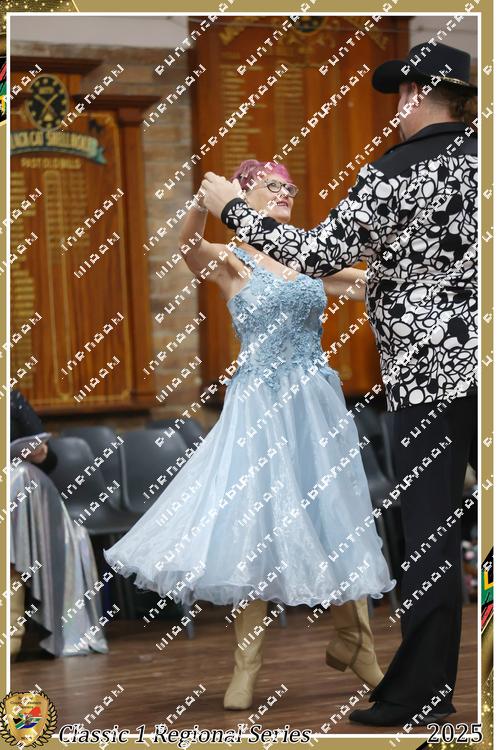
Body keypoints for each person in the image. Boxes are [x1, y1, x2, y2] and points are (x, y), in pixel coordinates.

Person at [200, 42, 478, 726]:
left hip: (427, 380)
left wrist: (235, 210)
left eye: (400, 95)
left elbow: (317, 252)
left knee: (432, 536)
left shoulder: (393, 172)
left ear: (415, 96)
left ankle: (422, 692)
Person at [104, 158, 396, 711]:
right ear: (244, 195)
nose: (286, 193)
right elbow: (187, 246)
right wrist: (202, 202)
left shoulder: (309, 258)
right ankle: (248, 662)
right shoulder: (232, 259)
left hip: (315, 404)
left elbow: (369, 285)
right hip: (259, 408)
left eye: (291, 187)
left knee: (335, 514)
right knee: (254, 524)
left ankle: (358, 643)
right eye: (272, 186)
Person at [9, 389, 109, 658]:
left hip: (25, 500)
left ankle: (10, 636)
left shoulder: (12, 398)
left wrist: (40, 453)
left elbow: (50, 459)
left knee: (17, 476)